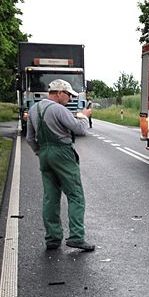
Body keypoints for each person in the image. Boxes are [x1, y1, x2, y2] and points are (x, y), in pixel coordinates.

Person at [25, 79, 95, 251]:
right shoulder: (59, 109)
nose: (70, 98)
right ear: (59, 93)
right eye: (68, 95)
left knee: (50, 197)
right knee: (75, 195)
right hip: (62, 153)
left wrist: (40, 152)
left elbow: (29, 138)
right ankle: (77, 237)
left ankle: (53, 238)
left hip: (44, 154)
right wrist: (84, 116)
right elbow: (79, 129)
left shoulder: (34, 109)